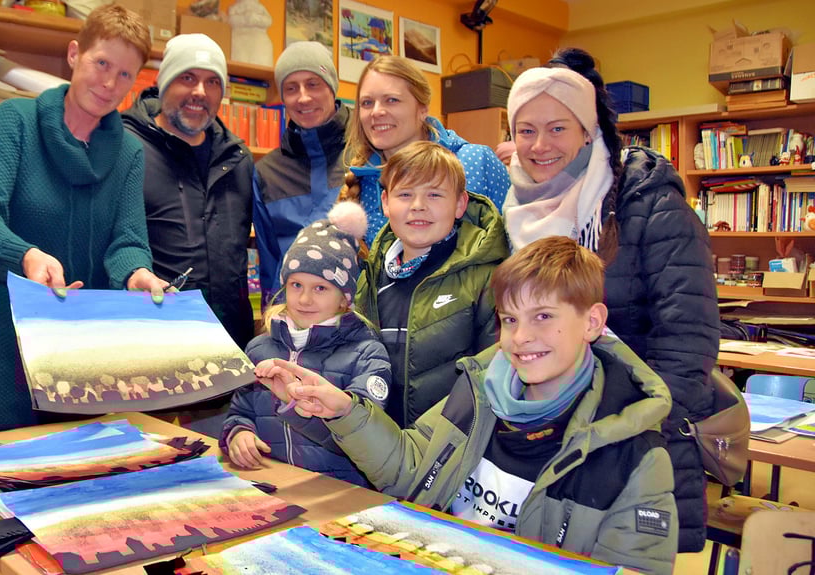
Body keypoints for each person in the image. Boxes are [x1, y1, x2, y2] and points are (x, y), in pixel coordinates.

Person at [278, 236, 679, 575]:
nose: (521, 337)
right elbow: (409, 470)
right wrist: (344, 411)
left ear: (592, 322)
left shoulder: (636, 457)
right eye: (509, 320)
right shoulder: (478, 390)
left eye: (542, 316)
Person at [501, 48, 719, 552]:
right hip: (542, 437)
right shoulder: (513, 213)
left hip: (633, 441)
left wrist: (628, 429)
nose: (539, 145)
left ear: (589, 130)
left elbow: (689, 339)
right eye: (525, 130)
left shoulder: (649, 203)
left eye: (558, 128)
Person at [0, 4, 167, 437]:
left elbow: (127, 240)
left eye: (125, 74)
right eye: (101, 63)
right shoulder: (17, 122)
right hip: (1, 342)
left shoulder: (128, 152)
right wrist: (27, 256)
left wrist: (138, 273)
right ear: (74, 54)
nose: (109, 83)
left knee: (82, 481)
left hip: (82, 350)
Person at [219, 202, 392, 487]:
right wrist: (239, 433)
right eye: (296, 285)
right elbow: (241, 411)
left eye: (320, 288)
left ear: (344, 298)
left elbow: (362, 441)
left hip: (342, 496)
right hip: (272, 486)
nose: (304, 299)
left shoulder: (367, 355)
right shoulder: (260, 348)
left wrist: (294, 402)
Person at [354, 141, 507, 428]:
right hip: (380, 445)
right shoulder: (371, 276)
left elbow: (494, 373)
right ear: (385, 202)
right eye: (405, 194)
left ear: (460, 204)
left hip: (452, 446)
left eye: (435, 194)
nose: (418, 206)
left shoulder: (487, 278)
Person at [122, 34, 255, 350]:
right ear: (164, 82)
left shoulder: (238, 159)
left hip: (230, 342)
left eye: (212, 82)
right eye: (187, 78)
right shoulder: (125, 147)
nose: (200, 92)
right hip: (151, 342)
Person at [339, 55, 509, 246]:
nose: (376, 112)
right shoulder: (364, 183)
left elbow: (514, 248)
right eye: (367, 103)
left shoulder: (475, 162)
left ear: (422, 109)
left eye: (392, 100)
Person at [253, 42, 349, 305]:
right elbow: (270, 262)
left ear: (331, 87)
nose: (303, 97)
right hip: (294, 317)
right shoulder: (266, 173)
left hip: (359, 319)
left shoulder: (367, 156)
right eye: (291, 88)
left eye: (313, 84)